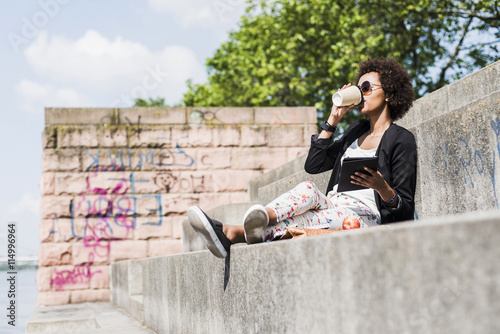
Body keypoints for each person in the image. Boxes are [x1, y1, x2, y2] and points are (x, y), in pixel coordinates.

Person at [188, 58, 417, 258]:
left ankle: (231, 233)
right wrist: (333, 119)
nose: (360, 93)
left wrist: (380, 186)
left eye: (366, 87)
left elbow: (404, 208)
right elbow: (314, 165)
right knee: (308, 188)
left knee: (305, 220)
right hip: (334, 203)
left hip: (364, 218)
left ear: (388, 93)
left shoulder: (401, 140)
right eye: (358, 88)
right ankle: (263, 216)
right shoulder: (356, 131)